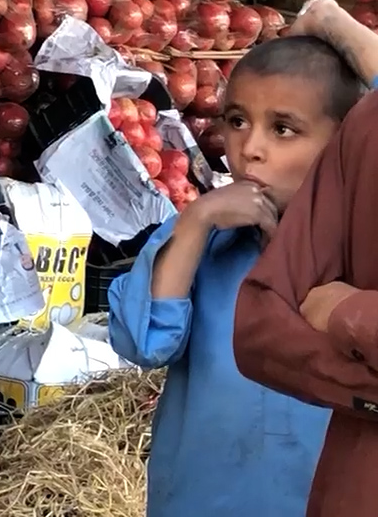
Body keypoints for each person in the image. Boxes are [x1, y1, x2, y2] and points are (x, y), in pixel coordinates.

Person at [109, 28, 372, 516]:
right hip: (197, 500)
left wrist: (343, 30)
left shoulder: (357, 260)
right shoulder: (202, 240)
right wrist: (195, 222)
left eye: (283, 129)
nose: (250, 147)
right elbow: (145, 343)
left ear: (343, 143)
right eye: (236, 121)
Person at [233, 0, 378, 517]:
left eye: (283, 128)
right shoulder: (368, 128)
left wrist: (347, 313)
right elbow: (259, 331)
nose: (251, 148)